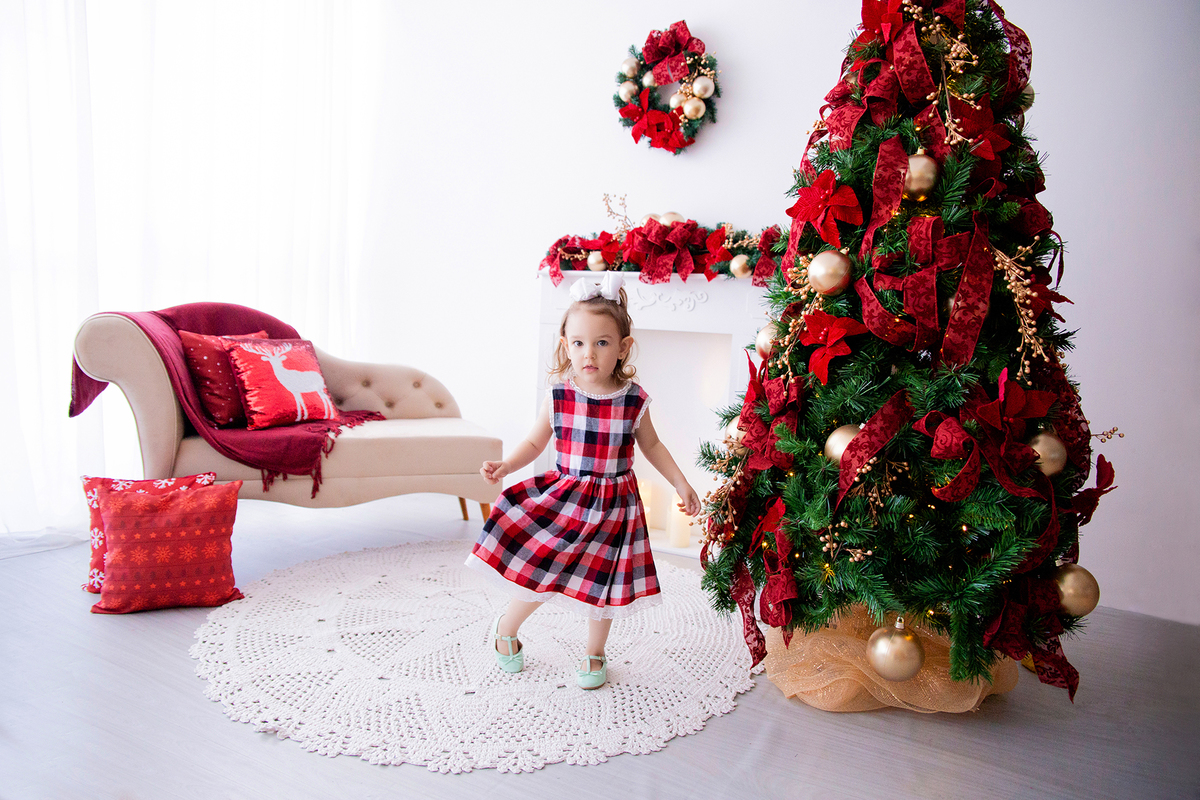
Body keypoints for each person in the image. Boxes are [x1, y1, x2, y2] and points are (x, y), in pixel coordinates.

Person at [465, 272, 701, 690]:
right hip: (566, 499)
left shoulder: (633, 399)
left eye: (601, 342)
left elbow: (654, 447)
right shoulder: (559, 394)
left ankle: (595, 653)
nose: (588, 353)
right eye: (578, 343)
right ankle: (506, 628)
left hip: (615, 505)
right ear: (565, 345)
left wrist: (681, 483)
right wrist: (506, 465)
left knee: (602, 583)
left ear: (623, 347)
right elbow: (535, 441)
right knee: (541, 569)